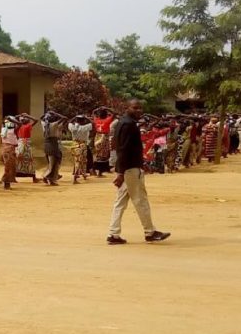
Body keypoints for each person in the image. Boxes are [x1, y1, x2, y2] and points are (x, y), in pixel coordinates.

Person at [107, 100, 170, 245]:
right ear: (127, 108)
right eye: (135, 107)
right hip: (130, 169)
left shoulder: (122, 123)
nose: (139, 110)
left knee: (120, 202)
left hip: (128, 168)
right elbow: (123, 149)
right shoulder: (128, 125)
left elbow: (121, 147)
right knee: (140, 200)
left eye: (140, 108)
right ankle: (150, 232)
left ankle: (113, 234)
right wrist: (121, 173)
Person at [42, 111, 66, 186]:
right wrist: (55, 113)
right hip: (53, 144)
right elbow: (64, 118)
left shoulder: (44, 125)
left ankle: (50, 177)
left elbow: (41, 118)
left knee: (51, 162)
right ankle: (48, 177)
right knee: (55, 162)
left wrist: (47, 113)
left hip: (46, 145)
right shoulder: (54, 125)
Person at [15, 114, 40, 182]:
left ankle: (33, 177)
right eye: (24, 118)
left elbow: (36, 120)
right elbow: (36, 120)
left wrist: (23, 115)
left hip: (22, 143)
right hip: (23, 144)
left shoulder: (20, 126)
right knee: (27, 160)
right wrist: (26, 116)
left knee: (24, 160)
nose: (26, 119)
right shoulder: (24, 125)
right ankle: (33, 178)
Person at [68, 115, 93, 184]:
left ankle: (83, 174)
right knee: (83, 160)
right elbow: (92, 123)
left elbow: (69, 122)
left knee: (77, 160)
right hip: (83, 145)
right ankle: (75, 177)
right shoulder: (85, 127)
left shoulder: (73, 127)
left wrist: (74, 117)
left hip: (75, 144)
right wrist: (86, 118)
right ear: (83, 120)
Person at [92, 107, 115, 177]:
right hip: (104, 138)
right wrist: (107, 108)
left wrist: (98, 109)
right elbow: (114, 114)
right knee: (103, 155)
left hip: (97, 137)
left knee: (98, 154)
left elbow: (93, 112)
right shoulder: (107, 120)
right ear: (106, 115)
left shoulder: (96, 120)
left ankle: (94, 169)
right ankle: (100, 172)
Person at [0, 115, 22, 190]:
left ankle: (7, 182)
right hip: (9, 149)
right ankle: (6, 183)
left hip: (5, 148)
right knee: (9, 167)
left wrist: (11, 119)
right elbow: (20, 124)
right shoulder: (13, 130)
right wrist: (12, 120)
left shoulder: (3, 129)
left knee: (9, 166)